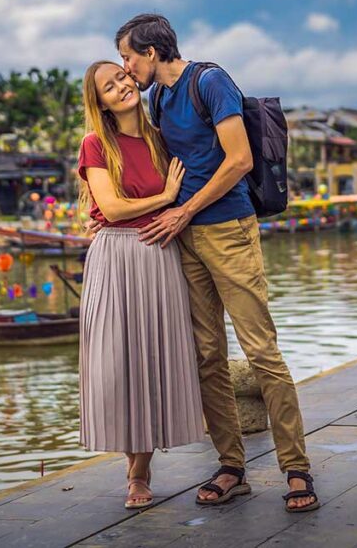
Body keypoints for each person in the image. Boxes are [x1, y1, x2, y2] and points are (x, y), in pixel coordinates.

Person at [113, 14, 319, 512]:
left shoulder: (210, 81)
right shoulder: (158, 98)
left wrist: (185, 208)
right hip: (186, 238)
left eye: (128, 57)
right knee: (207, 355)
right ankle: (232, 466)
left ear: (153, 52)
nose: (126, 68)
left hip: (228, 230)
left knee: (260, 350)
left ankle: (297, 470)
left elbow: (239, 160)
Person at [76, 60, 205, 511]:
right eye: (107, 87)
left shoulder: (161, 138)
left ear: (134, 78)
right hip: (115, 256)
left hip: (158, 255)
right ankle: (131, 465)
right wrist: (165, 198)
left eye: (121, 77)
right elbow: (110, 208)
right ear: (102, 102)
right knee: (118, 361)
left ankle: (140, 473)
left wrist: (176, 208)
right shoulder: (96, 144)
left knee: (152, 359)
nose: (120, 87)